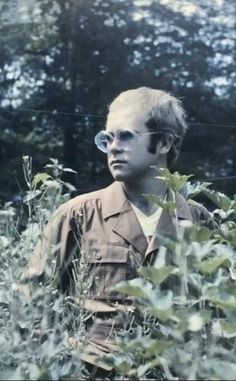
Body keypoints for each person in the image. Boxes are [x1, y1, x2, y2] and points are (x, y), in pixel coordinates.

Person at [19, 87, 214, 378]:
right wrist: (60, 364)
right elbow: (31, 303)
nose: (113, 147)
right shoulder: (78, 215)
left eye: (125, 136)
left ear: (164, 142)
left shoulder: (198, 220)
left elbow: (218, 313)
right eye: (107, 138)